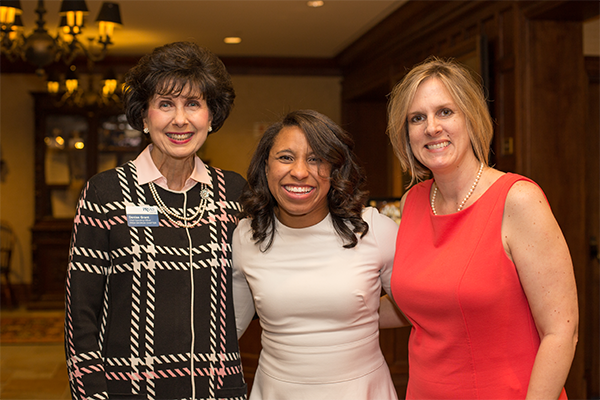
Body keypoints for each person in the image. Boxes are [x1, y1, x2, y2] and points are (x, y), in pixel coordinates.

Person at [381, 56, 579, 399]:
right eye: (417, 118)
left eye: (445, 112)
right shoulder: (413, 201)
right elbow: (418, 302)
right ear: (406, 134)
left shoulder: (518, 199)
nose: (431, 127)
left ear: (471, 118)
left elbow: (561, 331)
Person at [64, 41, 248, 400]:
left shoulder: (235, 193)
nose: (180, 119)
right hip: (129, 389)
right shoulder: (106, 193)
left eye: (193, 104)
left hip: (217, 389)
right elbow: (80, 316)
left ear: (211, 117)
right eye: (166, 104)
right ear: (145, 117)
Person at [232, 109, 402, 399]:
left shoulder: (373, 229)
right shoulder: (246, 237)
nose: (299, 172)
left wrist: (357, 316)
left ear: (336, 169)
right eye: (286, 157)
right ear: (265, 167)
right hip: (276, 392)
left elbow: (417, 308)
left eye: (316, 159)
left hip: (362, 391)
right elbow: (230, 327)